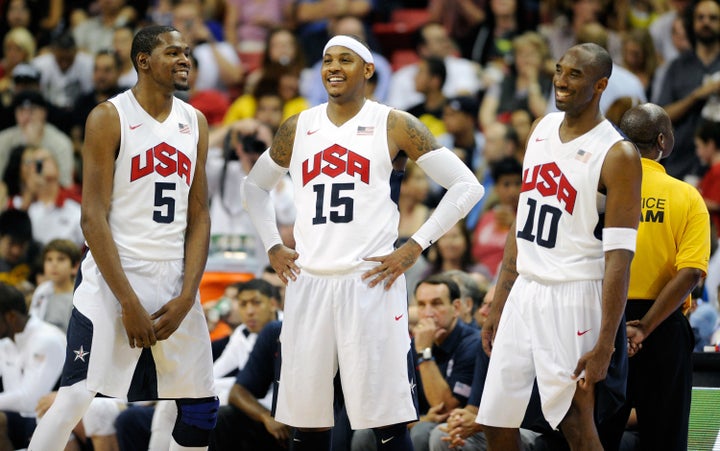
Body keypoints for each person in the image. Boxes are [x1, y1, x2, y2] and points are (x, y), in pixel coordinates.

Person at [243, 34, 484, 450]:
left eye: (345, 60)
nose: (333, 68)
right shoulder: (298, 126)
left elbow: (467, 186)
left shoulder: (395, 123)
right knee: (306, 423)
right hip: (309, 282)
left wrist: (414, 246)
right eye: (327, 60)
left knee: (387, 422)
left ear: (368, 70)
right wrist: (272, 245)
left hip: (370, 282)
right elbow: (253, 189)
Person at [28, 25, 217, 451]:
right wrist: (129, 302)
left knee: (199, 406)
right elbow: (92, 219)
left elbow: (200, 214)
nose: (185, 59)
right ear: (143, 61)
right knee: (77, 395)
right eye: (174, 52)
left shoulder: (196, 122)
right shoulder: (109, 117)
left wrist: (189, 294)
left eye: (187, 52)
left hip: (173, 276)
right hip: (115, 275)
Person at [476, 42, 642, 451]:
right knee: (495, 418)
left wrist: (606, 343)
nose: (560, 81)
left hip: (575, 293)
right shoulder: (541, 128)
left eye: (574, 75)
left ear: (600, 84)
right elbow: (521, 221)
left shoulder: (618, 153)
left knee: (575, 423)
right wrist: (500, 300)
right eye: (559, 70)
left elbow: (619, 257)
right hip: (527, 290)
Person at [604, 103, 711, 451]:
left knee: (595, 437)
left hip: (602, 320)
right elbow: (691, 272)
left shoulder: (600, 192)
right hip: (662, 324)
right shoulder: (686, 196)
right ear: (663, 141)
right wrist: (645, 327)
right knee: (665, 439)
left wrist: (622, 329)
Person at [0, 281, 66, 450]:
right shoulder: (5, 342)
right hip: (16, 418)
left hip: (43, 419)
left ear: (11, 317)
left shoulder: (46, 339)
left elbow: (30, 401)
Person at [29, 238, 81, 333]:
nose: (54, 264)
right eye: (49, 259)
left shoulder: (79, 295)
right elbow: (33, 319)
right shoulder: (42, 290)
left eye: (61, 259)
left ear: (75, 266)